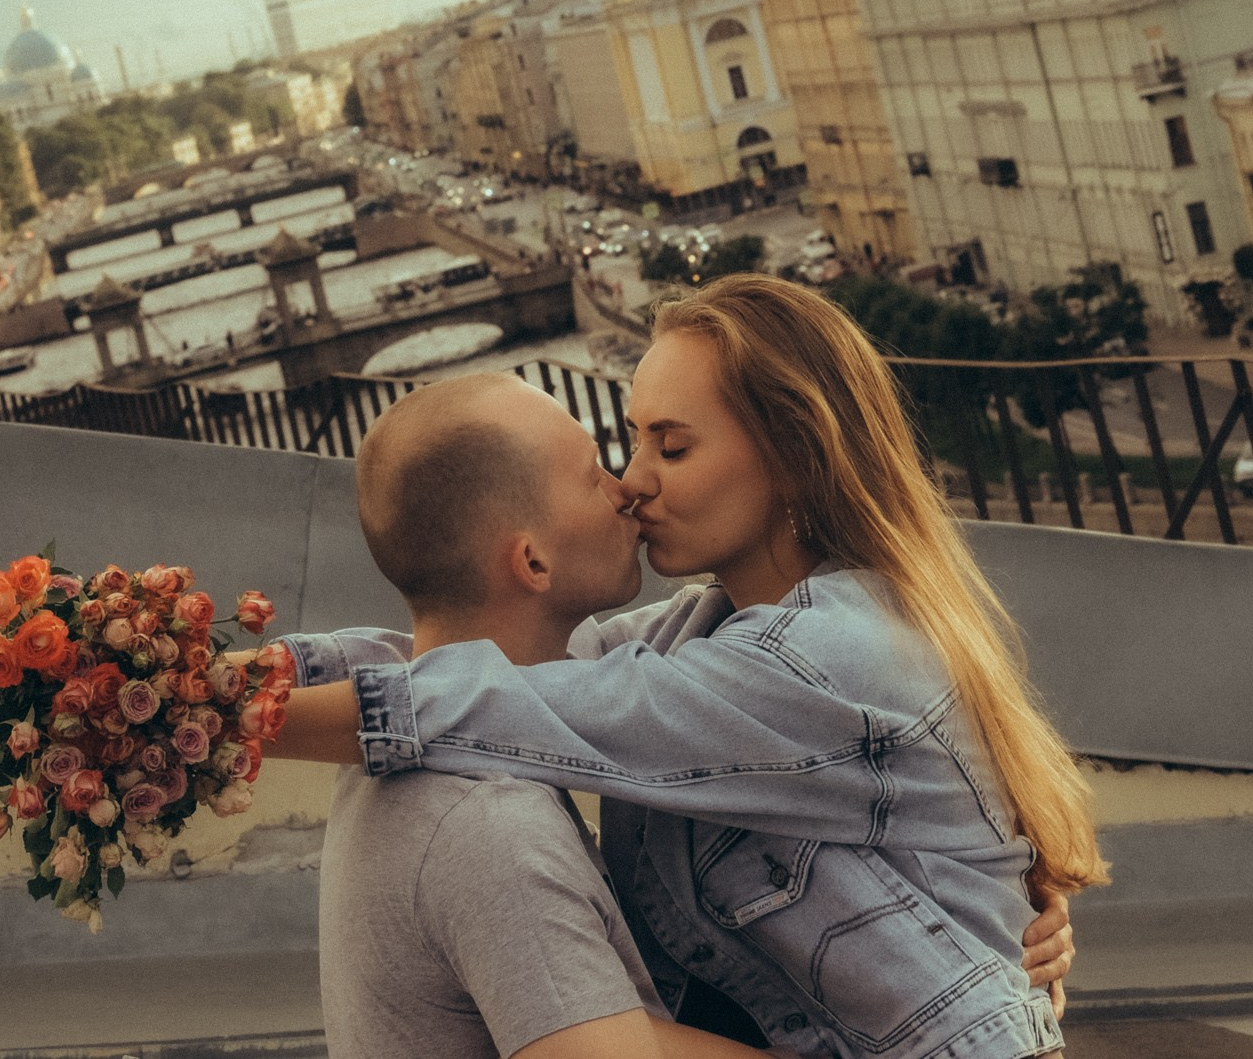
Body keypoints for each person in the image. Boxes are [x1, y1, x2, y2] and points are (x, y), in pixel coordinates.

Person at [274, 276, 1098, 1057]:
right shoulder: (703, 632)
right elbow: (516, 674)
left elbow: (496, 698)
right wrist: (231, 683)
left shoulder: (822, 657)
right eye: (632, 440)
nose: (633, 480)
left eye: (670, 446)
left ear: (792, 456)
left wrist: (248, 721)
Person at [308, 371, 757, 1059]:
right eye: (591, 474)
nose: (624, 489)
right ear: (533, 561)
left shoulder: (417, 747)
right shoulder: (488, 820)